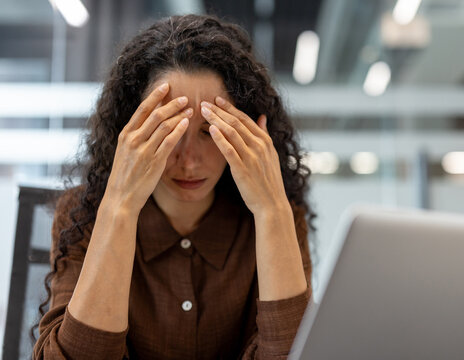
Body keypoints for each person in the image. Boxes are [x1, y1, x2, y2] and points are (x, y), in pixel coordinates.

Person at [32, 13, 314, 360]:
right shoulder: (84, 214)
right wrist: (120, 207)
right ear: (131, 133)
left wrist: (272, 212)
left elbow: (292, 354)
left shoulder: (277, 218)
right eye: (169, 131)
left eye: (209, 132)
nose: (190, 161)